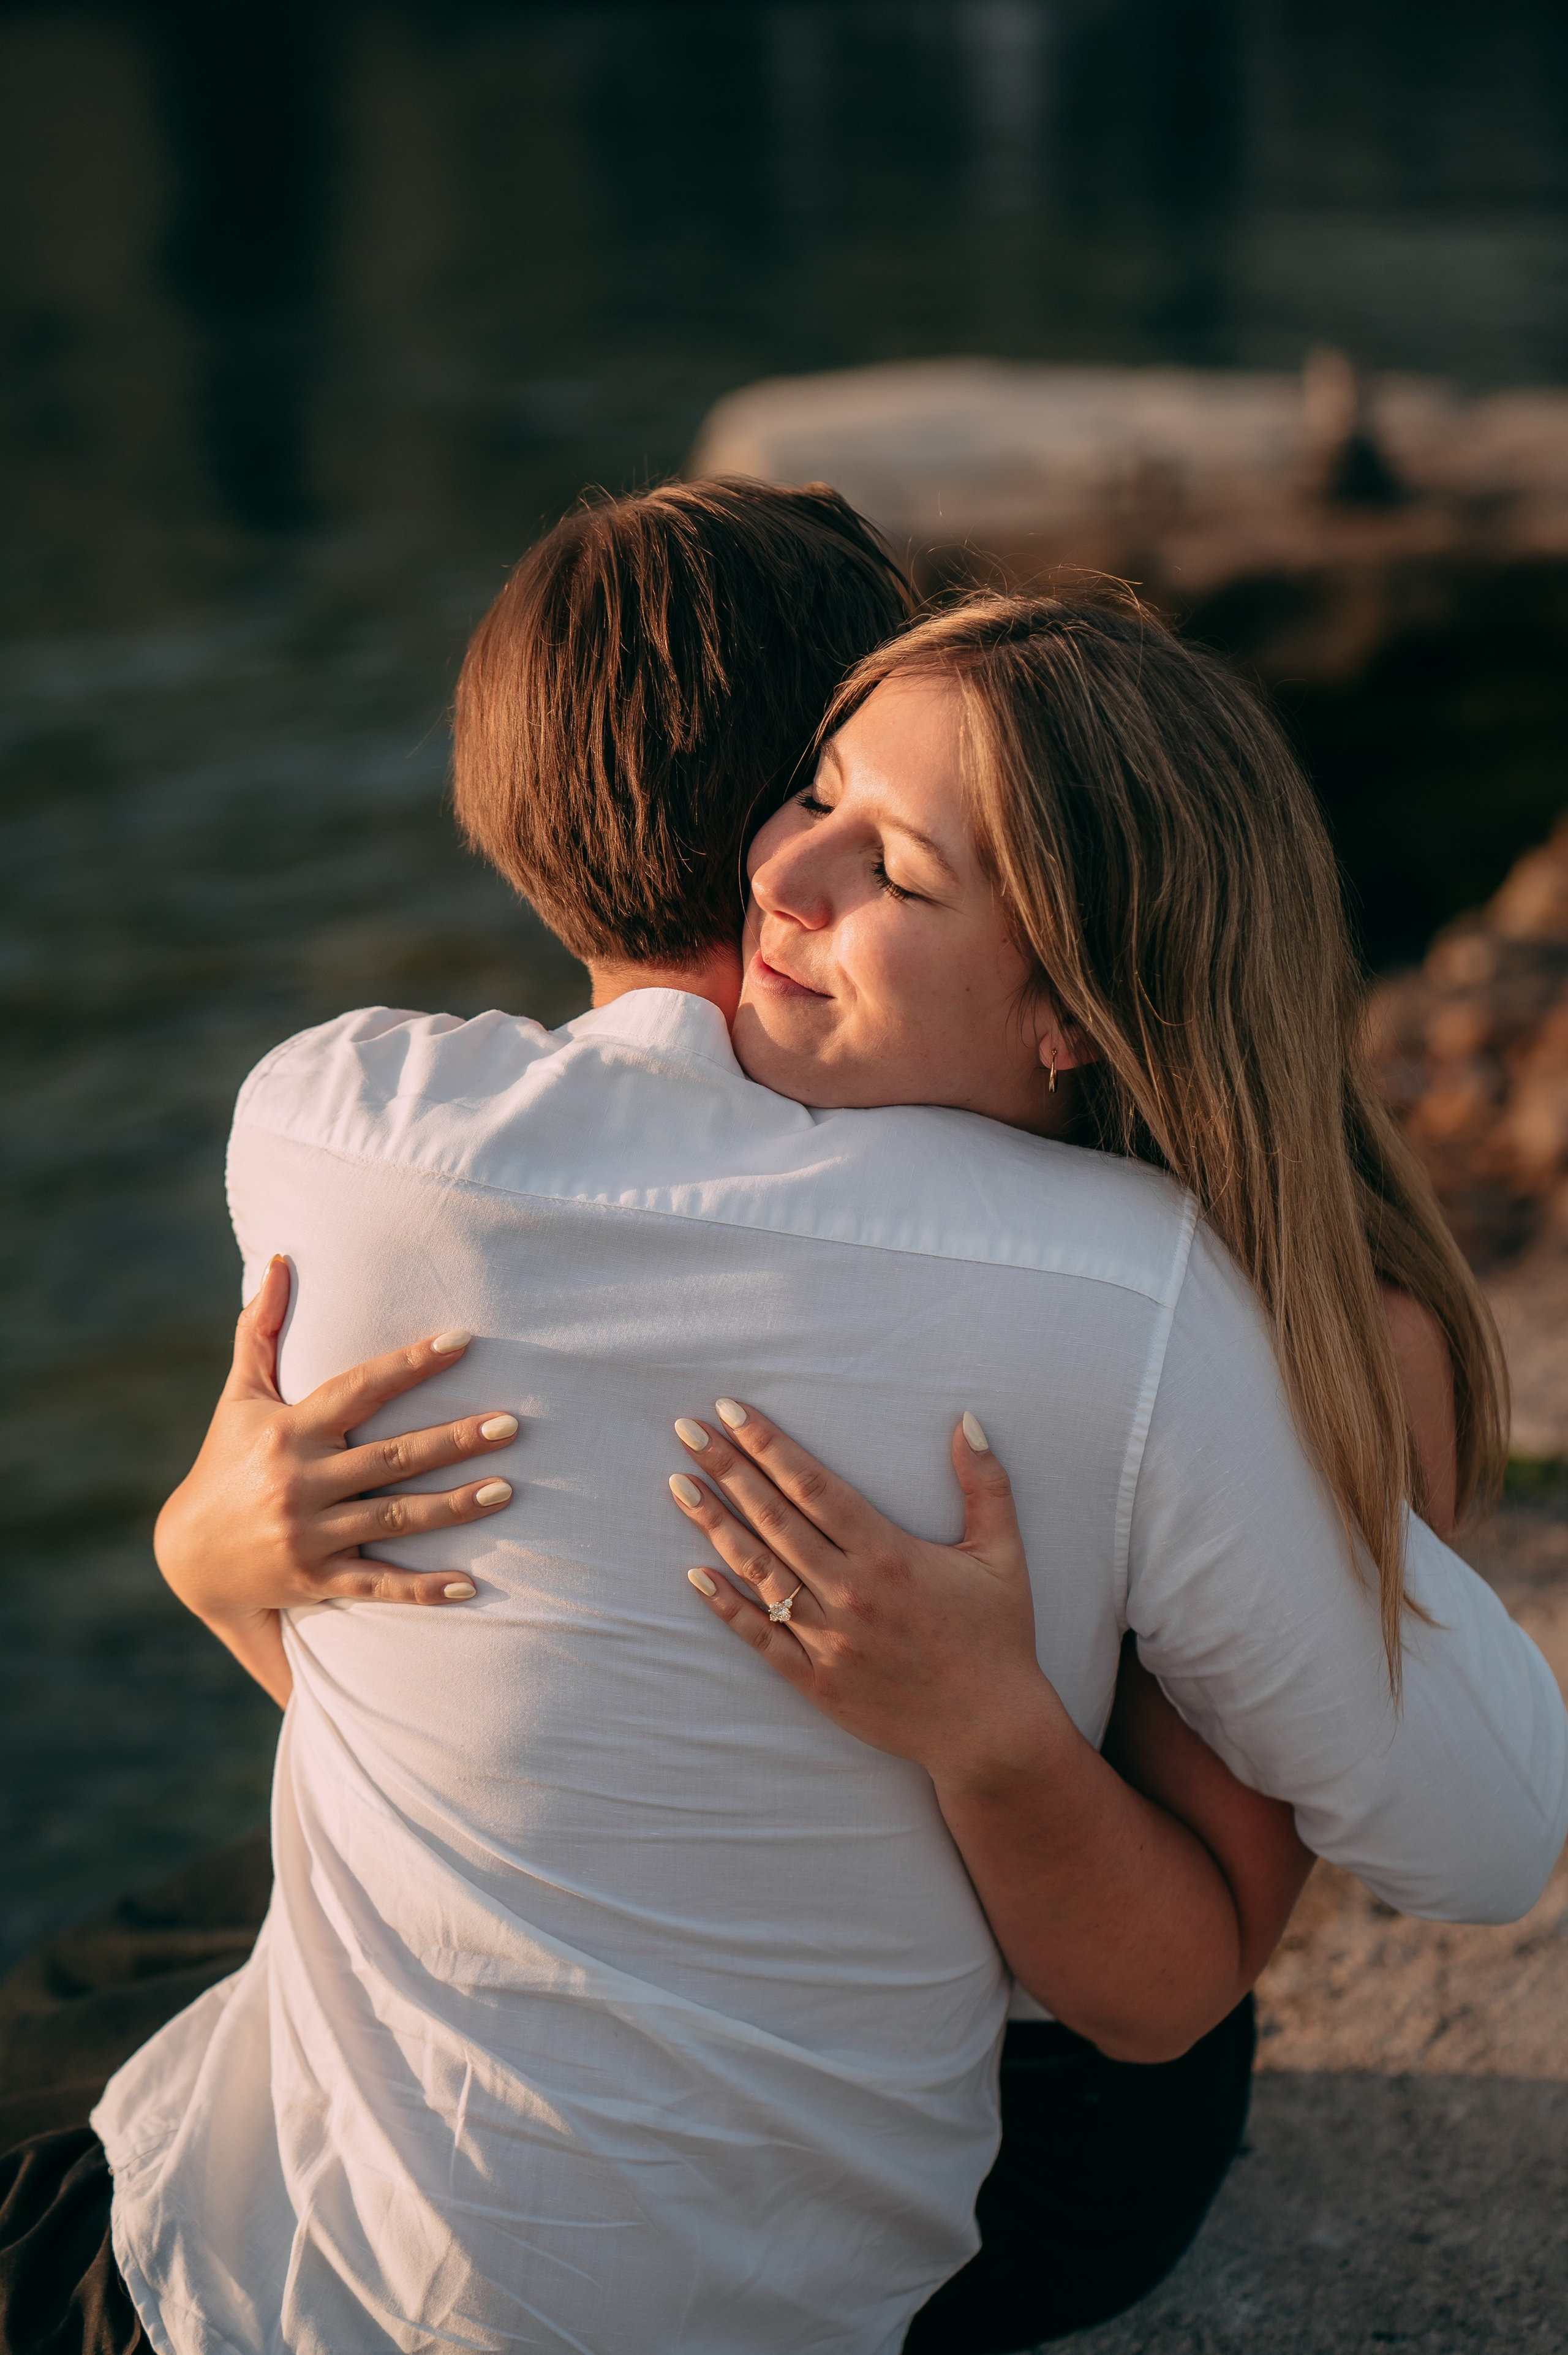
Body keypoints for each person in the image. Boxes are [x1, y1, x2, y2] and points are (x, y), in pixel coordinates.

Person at [9, 483, 1562, 2355]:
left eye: (893, 866)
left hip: (1028, 2107)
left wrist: (992, 1730)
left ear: (1072, 1002)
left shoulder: (1197, 1301)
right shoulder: (1089, 1275)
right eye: (813, 791)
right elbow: (578, 1737)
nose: (788, 871)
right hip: (761, 2080)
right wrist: (212, 1552)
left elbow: (1256, 1943)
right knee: (152, 1957)